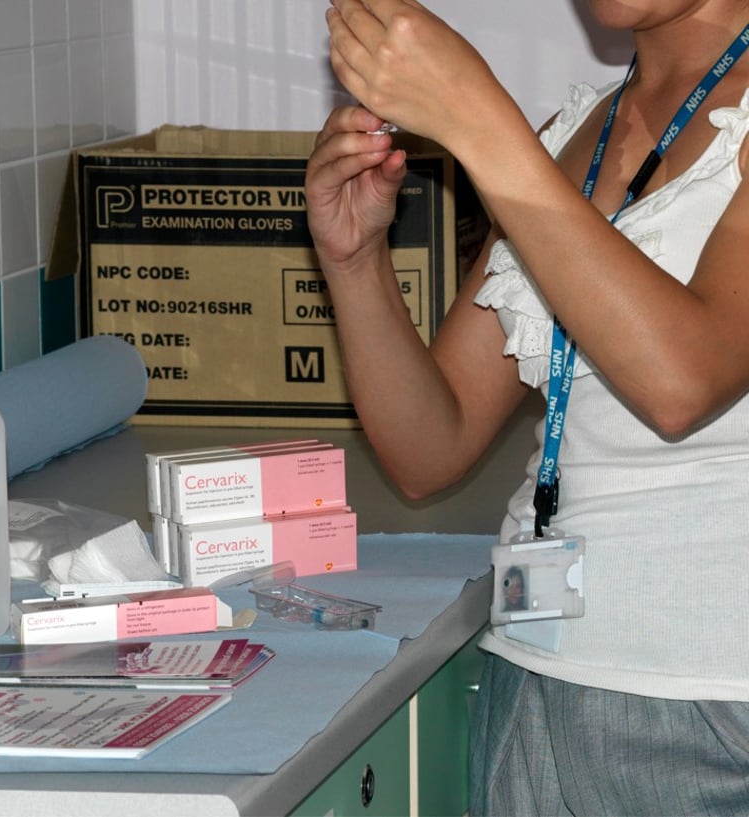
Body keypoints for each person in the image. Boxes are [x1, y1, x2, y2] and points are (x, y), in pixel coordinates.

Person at [306, 1, 749, 814]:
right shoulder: (571, 138)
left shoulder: (519, 149)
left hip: (717, 705)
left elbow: (682, 383)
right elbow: (429, 448)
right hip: (540, 684)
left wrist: (477, 121)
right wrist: (355, 259)